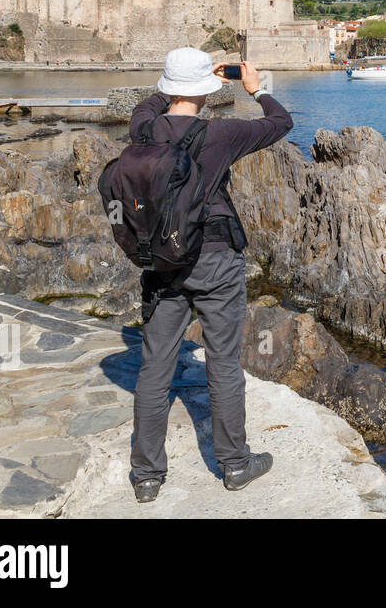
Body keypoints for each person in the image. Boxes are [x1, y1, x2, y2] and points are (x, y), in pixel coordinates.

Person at [127, 47, 293, 502]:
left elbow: (150, 102)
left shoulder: (143, 127)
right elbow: (281, 123)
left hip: (161, 259)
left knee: (155, 366)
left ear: (167, 88)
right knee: (222, 361)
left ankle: (146, 476)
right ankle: (235, 465)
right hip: (215, 258)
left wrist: (177, 85)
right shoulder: (220, 135)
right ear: (206, 88)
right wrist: (255, 88)